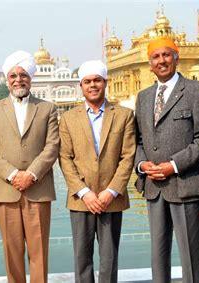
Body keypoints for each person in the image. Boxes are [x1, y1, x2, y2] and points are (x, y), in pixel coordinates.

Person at [134, 38, 199, 282]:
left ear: (176, 58)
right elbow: (138, 140)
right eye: (156, 57)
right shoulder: (144, 96)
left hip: (186, 185)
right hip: (154, 187)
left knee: (192, 253)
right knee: (158, 254)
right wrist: (142, 164)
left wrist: (173, 165)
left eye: (166, 55)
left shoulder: (196, 91)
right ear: (149, 64)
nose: (162, 61)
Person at [0, 50, 59, 283]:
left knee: (39, 252)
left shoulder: (47, 108)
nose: (18, 79)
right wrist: (13, 175)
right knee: (11, 252)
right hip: (6, 190)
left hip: (38, 189)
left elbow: (52, 146)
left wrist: (31, 174)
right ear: (7, 79)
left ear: (30, 78)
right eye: (13, 75)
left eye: (23, 74)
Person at [59, 60, 135, 283]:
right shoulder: (68, 118)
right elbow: (64, 158)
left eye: (97, 81)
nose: (92, 85)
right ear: (81, 86)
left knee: (109, 257)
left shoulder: (123, 115)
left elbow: (128, 156)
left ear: (105, 83)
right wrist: (84, 192)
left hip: (111, 198)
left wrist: (111, 191)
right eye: (87, 81)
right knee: (82, 256)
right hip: (81, 198)